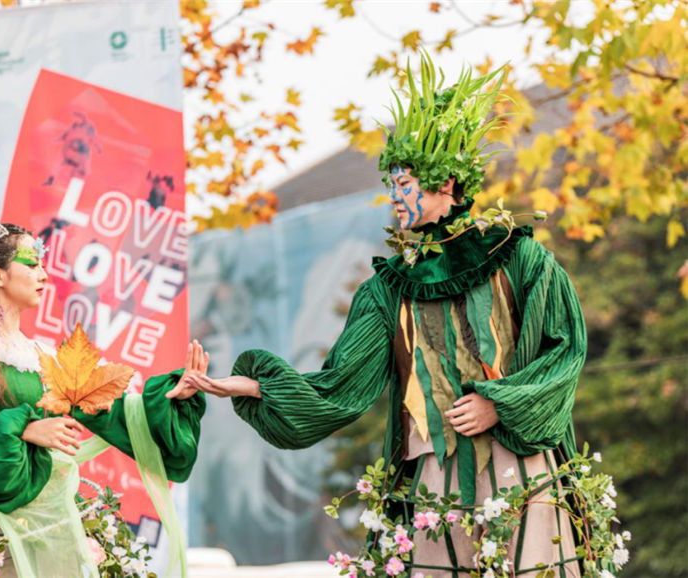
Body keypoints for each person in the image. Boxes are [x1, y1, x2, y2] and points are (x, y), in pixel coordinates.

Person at [184, 54, 587, 577]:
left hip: (518, 464)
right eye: (392, 185)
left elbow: (564, 352)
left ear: (446, 184)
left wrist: (499, 405)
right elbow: (341, 384)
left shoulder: (520, 258)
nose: (394, 198)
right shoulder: (388, 288)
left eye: (405, 184)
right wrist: (256, 386)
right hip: (435, 474)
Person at [0, 220, 207, 576]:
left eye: (42, 265)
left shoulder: (46, 358)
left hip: (53, 525)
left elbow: (118, 413)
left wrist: (171, 396)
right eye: (31, 264)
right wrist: (25, 429)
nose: (44, 275)